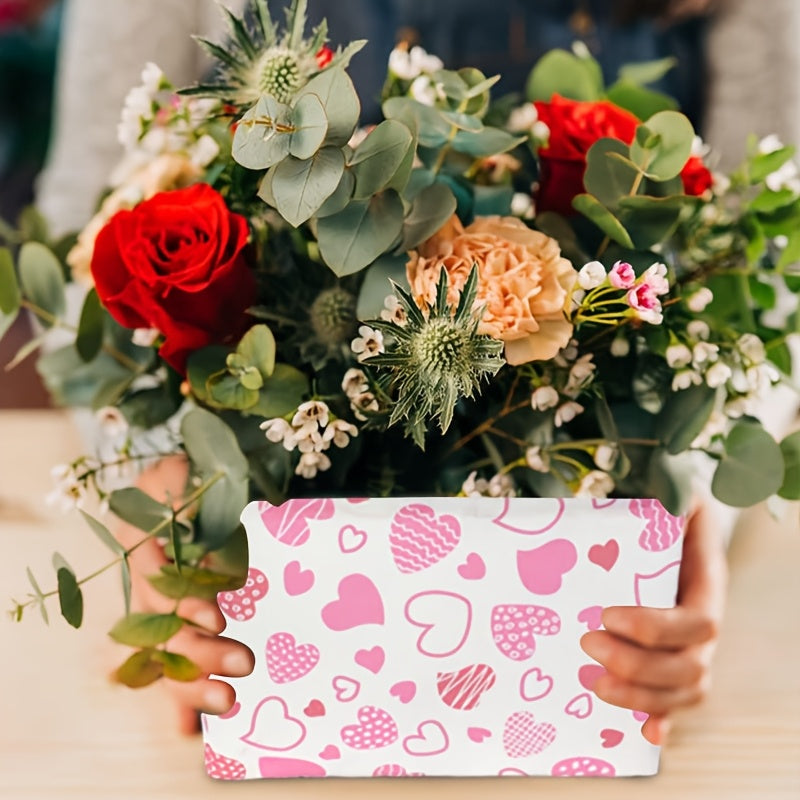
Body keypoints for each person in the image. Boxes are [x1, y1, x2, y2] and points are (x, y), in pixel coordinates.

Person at [36, 0, 728, 745]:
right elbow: (84, 213)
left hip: (577, 559)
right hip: (273, 563)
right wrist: (167, 478)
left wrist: (696, 497)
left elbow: (775, 258)